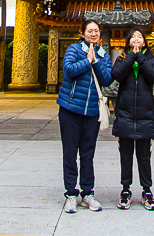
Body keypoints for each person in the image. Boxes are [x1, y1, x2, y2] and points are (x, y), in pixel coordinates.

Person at [57, 19, 113, 213]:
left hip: (91, 112)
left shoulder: (103, 55)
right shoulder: (74, 49)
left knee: (88, 154)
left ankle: (87, 193)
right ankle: (71, 194)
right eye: (89, 31)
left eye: (96, 31)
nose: (93, 34)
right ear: (82, 33)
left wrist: (96, 61)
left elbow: (107, 79)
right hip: (70, 108)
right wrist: (86, 60)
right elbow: (69, 70)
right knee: (70, 153)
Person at [111, 27, 154, 211]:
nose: (137, 39)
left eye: (140, 36)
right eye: (133, 37)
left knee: (144, 155)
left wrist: (140, 57)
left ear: (145, 41)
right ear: (128, 41)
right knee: (125, 155)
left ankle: (147, 190)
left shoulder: (150, 58)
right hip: (125, 112)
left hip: (144, 114)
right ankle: (125, 189)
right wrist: (131, 56)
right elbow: (116, 74)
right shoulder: (123, 57)